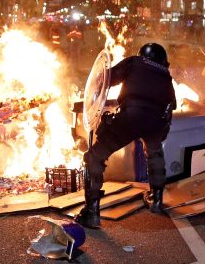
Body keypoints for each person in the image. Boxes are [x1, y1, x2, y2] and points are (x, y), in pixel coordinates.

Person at [75, 43, 177, 229]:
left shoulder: (134, 62)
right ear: (163, 61)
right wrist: (156, 137)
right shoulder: (166, 77)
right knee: (154, 152)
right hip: (155, 122)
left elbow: (105, 80)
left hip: (131, 117)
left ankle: (91, 212)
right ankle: (156, 200)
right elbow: (170, 108)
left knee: (94, 157)